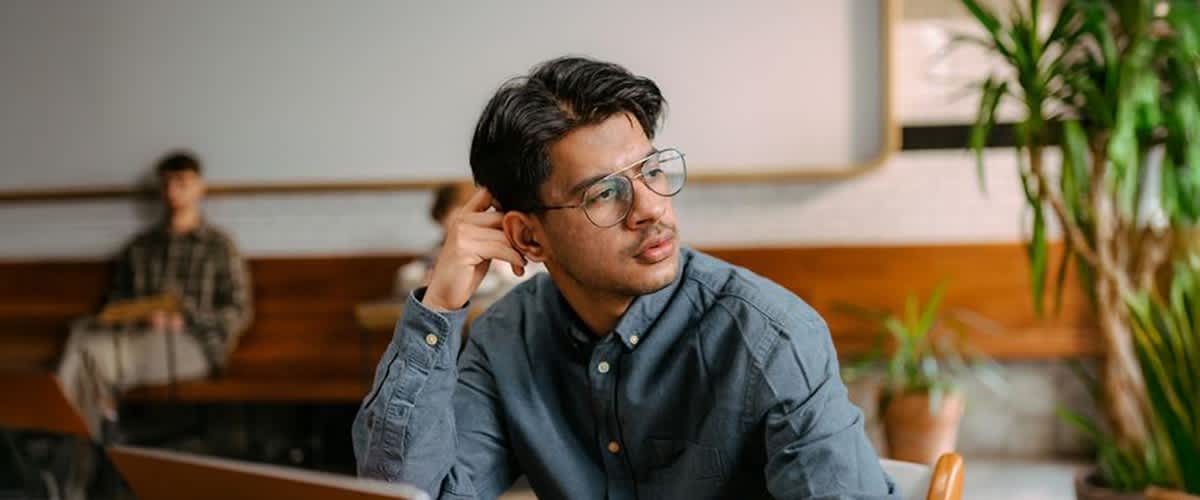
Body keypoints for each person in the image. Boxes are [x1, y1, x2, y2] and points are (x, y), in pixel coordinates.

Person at [353, 57, 896, 499]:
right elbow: (410, 496)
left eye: (653, 169)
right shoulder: (505, 340)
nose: (651, 209)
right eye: (605, 192)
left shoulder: (772, 338)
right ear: (528, 238)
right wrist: (441, 305)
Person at [59, 151, 253, 439]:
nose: (173, 191)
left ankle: (72, 448)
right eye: (166, 184)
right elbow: (114, 302)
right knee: (82, 342)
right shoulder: (140, 247)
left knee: (86, 362)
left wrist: (185, 320)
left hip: (192, 344)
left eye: (182, 183)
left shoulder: (218, 246)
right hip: (136, 337)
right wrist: (141, 315)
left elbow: (238, 310)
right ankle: (92, 443)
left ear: (200, 187)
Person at [394, 181, 539, 309]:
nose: (465, 224)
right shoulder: (431, 256)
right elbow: (407, 280)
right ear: (441, 217)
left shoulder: (505, 252)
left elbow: (526, 282)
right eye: (458, 213)